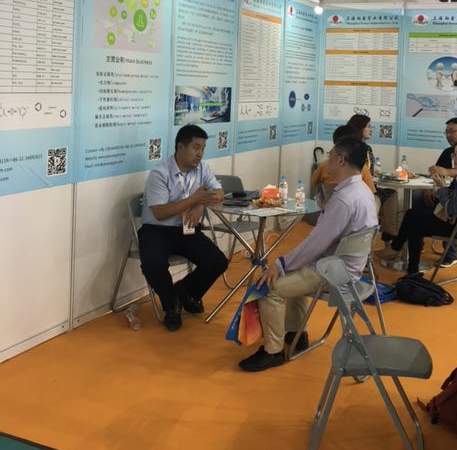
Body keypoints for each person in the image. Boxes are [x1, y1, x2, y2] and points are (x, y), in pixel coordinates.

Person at [238, 136, 378, 372]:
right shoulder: (363, 190)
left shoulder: (344, 199)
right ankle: (296, 334)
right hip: (348, 267)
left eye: (331, 156)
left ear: (341, 160)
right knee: (295, 269)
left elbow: (316, 243)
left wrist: (280, 264)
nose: (327, 161)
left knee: (269, 288)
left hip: (333, 271)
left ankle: (273, 351)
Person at [139, 124, 227, 331]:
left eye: (203, 148)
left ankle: (185, 292)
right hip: (157, 230)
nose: (200, 153)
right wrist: (195, 199)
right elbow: (160, 213)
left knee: (217, 261)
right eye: (196, 148)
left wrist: (199, 204)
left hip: (185, 229)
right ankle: (171, 306)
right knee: (153, 264)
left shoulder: (203, 168)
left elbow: (219, 193)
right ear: (180, 147)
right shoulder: (159, 174)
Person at [378, 139, 457, 275]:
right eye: (454, 154)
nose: (454, 158)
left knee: (413, 219)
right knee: (413, 217)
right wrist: (443, 188)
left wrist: (441, 189)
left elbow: (451, 208)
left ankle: (399, 253)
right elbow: (454, 198)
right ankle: (409, 266)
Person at [346, 113, 399, 242]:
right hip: (362, 191)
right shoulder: (356, 149)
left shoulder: (366, 148)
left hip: (369, 188)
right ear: (359, 128)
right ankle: (379, 238)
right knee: (379, 199)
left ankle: (389, 235)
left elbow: (368, 171)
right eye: (368, 126)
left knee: (391, 194)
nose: (371, 129)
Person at [311, 124, 376, 201]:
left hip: (327, 203)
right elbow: (371, 193)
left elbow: (313, 183)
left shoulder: (323, 165)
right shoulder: (361, 168)